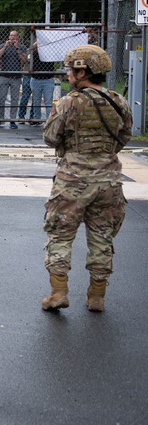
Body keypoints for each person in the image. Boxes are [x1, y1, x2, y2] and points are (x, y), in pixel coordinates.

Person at [40, 45, 132, 313]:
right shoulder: (119, 101)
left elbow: (50, 138)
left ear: (83, 71)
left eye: (71, 69)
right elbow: (124, 136)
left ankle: (58, 293)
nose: (68, 73)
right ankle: (96, 297)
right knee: (102, 237)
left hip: (72, 181)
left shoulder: (69, 102)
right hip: (109, 182)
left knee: (60, 234)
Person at [0, 30, 26, 128]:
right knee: (1, 98)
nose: (12, 38)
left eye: (14, 36)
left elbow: (24, 60)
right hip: (4, 75)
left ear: (18, 37)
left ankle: (12, 120)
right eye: (11, 35)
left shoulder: (22, 47)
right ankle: (1, 118)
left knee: (15, 99)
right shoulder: (3, 45)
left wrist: (17, 48)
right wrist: (5, 47)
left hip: (15, 76)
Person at [29, 39, 56, 123]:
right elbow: (30, 49)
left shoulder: (51, 52)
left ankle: (48, 120)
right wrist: (39, 40)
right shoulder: (35, 52)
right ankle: (37, 118)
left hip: (48, 79)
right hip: (36, 79)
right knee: (36, 100)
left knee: (48, 101)